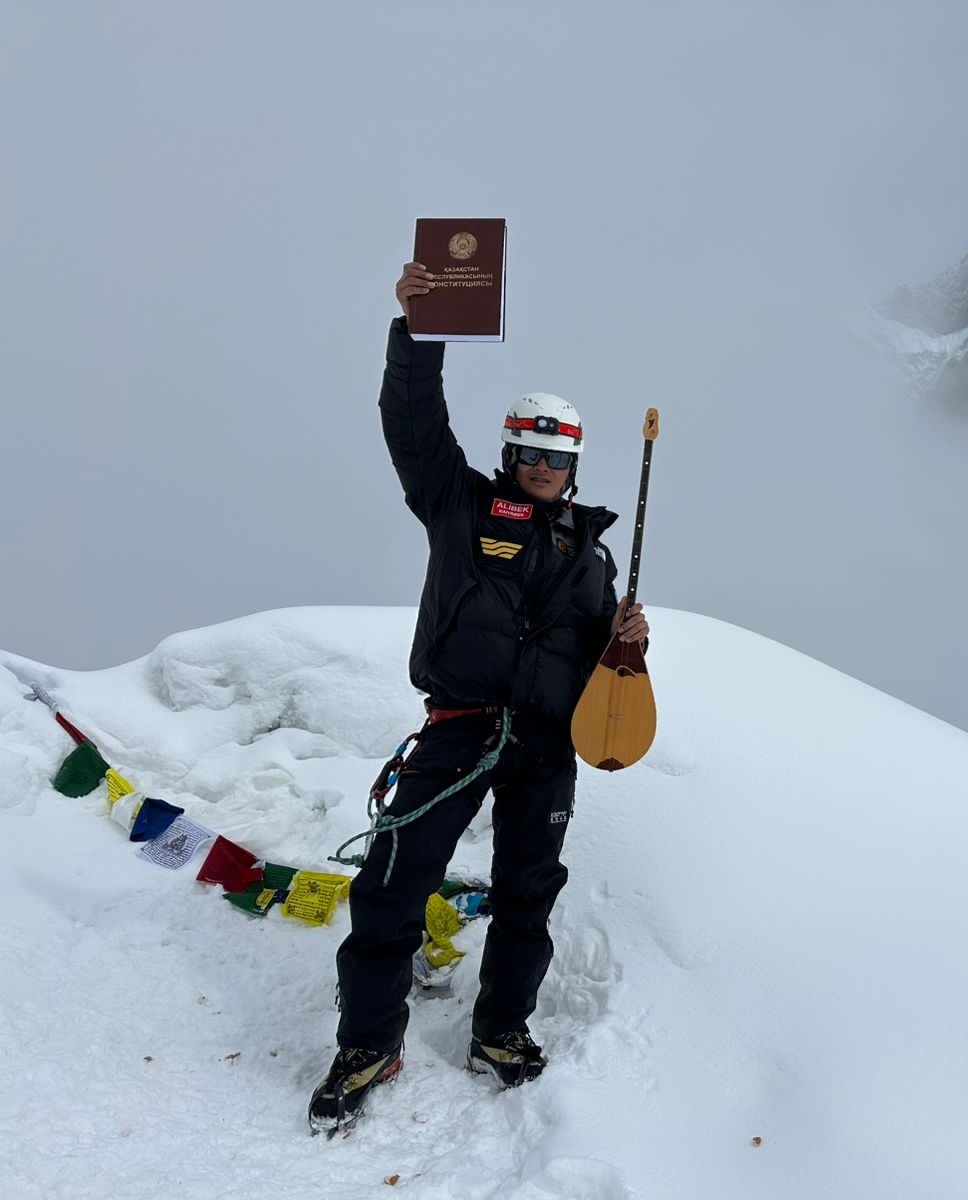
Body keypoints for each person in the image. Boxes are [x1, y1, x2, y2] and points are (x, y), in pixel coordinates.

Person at [308, 262, 649, 1133]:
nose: (541, 466)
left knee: (528, 891)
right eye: (530, 453)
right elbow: (413, 427)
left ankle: (501, 1030)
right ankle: (369, 1041)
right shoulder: (458, 504)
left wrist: (626, 651)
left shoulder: (594, 555)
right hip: (458, 729)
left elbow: (600, 671)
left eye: (557, 456)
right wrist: (418, 335)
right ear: (511, 455)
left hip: (544, 743)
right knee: (391, 881)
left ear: (572, 465)